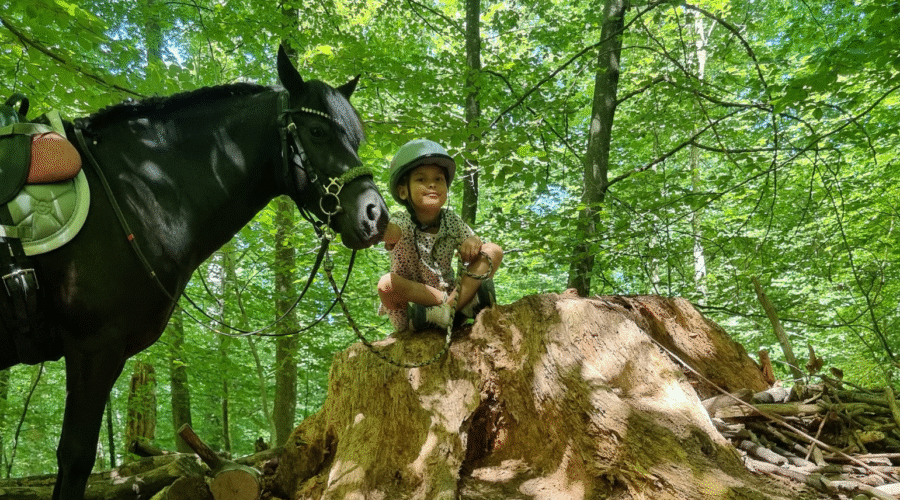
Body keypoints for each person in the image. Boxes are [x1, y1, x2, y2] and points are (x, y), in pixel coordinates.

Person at [377, 139, 503, 332]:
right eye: (421, 180)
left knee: (493, 250)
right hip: (416, 311)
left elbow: (475, 242)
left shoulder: (450, 219)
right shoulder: (401, 221)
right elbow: (391, 233)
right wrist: (377, 226)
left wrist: (472, 241)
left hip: (451, 299)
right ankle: (453, 307)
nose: (432, 185)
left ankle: (450, 309)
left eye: (438, 179)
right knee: (386, 283)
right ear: (403, 191)